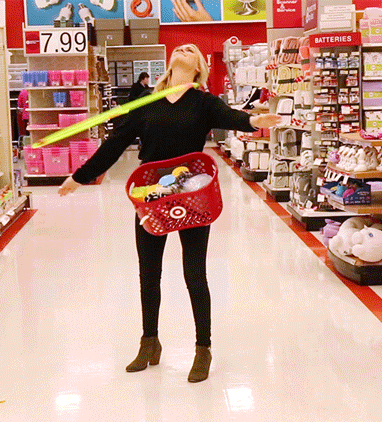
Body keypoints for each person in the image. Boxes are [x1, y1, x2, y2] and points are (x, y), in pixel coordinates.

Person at [59, 44, 281, 383]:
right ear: (171, 63)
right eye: (181, 47)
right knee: (148, 273)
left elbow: (232, 117)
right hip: (151, 196)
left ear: (199, 68)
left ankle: (203, 348)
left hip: (193, 194)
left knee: (195, 273)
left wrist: (254, 121)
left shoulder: (204, 103)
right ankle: (149, 342)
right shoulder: (147, 102)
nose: (185, 48)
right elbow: (116, 143)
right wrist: (80, 176)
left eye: (192, 49)